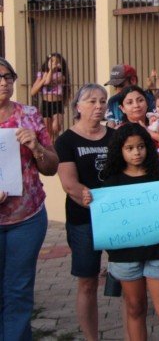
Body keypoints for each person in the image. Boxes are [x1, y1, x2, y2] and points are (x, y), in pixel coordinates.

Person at [81, 123, 159, 341]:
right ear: (120, 150)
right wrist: (90, 202)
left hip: (158, 253)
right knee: (135, 308)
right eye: (130, 148)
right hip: (125, 257)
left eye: (141, 147)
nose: (136, 153)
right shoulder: (112, 180)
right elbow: (106, 215)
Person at [0, 57, 59, 340]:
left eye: (8, 77)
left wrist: (36, 146)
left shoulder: (29, 115)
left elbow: (51, 167)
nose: (3, 82)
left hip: (27, 219)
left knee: (18, 289)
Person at [55, 83, 115, 341]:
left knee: (128, 279)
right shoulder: (66, 140)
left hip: (118, 218)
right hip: (84, 221)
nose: (98, 106)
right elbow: (70, 185)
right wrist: (100, 205)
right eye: (91, 101)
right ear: (78, 106)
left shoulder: (115, 136)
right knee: (88, 281)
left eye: (103, 101)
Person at [30, 52, 70, 140]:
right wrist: (42, 79)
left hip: (57, 103)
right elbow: (33, 92)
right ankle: (51, 145)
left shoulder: (61, 75)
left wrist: (50, 72)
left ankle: (55, 141)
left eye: (56, 62)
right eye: (51, 61)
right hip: (46, 103)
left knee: (56, 126)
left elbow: (48, 82)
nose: (53, 63)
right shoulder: (41, 74)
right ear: (47, 62)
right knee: (47, 129)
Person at [105, 64, 155, 128]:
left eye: (120, 85)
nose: (117, 90)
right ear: (122, 108)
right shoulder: (113, 101)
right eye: (115, 86)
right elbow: (110, 124)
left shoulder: (149, 98)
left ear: (133, 80)